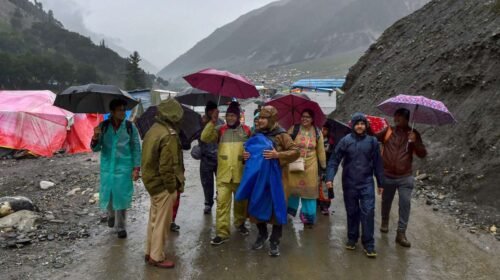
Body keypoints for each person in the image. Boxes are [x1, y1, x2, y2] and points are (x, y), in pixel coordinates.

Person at [241, 105, 300, 257]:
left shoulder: (282, 135)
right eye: (258, 118)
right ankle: (262, 234)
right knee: (255, 205)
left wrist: (277, 155)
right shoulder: (255, 133)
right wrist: (244, 156)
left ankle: (275, 241)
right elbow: (248, 150)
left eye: (262, 118)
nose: (259, 121)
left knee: (277, 208)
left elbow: (295, 152)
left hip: (278, 179)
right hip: (259, 178)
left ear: (271, 119)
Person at [325, 113, 384, 258]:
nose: (360, 126)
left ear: (366, 126)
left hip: (366, 183)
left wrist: (380, 182)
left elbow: (378, 164)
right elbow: (334, 160)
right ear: (353, 125)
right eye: (357, 123)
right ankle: (352, 238)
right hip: (349, 183)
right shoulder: (345, 141)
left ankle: (369, 244)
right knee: (352, 212)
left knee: (368, 212)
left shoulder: (372, 142)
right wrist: (330, 177)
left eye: (362, 123)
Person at [141, 98, 185, 268]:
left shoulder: (153, 129)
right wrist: (171, 187)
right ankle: (157, 256)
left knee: (153, 219)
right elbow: (167, 166)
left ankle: (149, 251)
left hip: (151, 182)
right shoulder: (169, 135)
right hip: (162, 186)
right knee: (162, 223)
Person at [201, 101, 252, 246]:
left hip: (240, 174)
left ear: (238, 116)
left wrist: (249, 154)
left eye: (232, 115)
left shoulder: (247, 131)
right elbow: (204, 137)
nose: (230, 118)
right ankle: (222, 233)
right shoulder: (219, 130)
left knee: (241, 203)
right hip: (223, 175)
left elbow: (254, 148)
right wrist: (212, 121)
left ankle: (240, 223)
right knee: (222, 204)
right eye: (228, 115)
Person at [376, 108, 427, 248]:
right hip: (387, 175)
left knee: (405, 203)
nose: (397, 118)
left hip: (405, 177)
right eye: (396, 116)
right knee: (386, 201)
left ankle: (401, 233)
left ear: (407, 119)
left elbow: (422, 154)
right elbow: (373, 139)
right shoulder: (388, 131)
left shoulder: (414, 133)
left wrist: (415, 141)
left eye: (400, 117)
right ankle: (385, 221)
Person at [91, 99, 141, 239]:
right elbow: (96, 148)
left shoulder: (130, 127)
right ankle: (110, 214)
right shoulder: (104, 126)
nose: (123, 112)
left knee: (122, 196)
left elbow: (136, 148)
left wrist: (136, 168)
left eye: (124, 109)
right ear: (112, 112)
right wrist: (95, 136)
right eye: (120, 110)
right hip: (108, 167)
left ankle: (121, 226)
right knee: (109, 194)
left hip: (124, 167)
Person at [285, 109, 326, 228]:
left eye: (308, 117)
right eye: (303, 116)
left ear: (312, 119)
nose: (304, 119)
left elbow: (321, 151)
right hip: (295, 164)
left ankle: (308, 217)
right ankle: (289, 212)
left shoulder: (318, 132)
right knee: (292, 189)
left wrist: (324, 168)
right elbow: (285, 144)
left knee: (309, 192)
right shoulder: (294, 129)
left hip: (311, 166)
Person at [198, 101, 222, 215]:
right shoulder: (201, 122)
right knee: (207, 183)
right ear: (207, 112)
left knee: (221, 182)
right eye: (210, 111)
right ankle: (208, 203)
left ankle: (220, 199)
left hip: (219, 159)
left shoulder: (221, 122)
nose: (213, 113)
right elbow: (200, 138)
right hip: (206, 159)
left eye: (214, 110)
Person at [318, 125, 334, 215]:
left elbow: (333, 156)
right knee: (317, 185)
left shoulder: (331, 142)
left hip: (327, 166)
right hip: (317, 166)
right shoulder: (316, 139)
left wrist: (327, 151)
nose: (323, 131)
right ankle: (317, 202)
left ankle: (325, 206)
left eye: (325, 129)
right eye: (321, 129)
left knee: (326, 186)